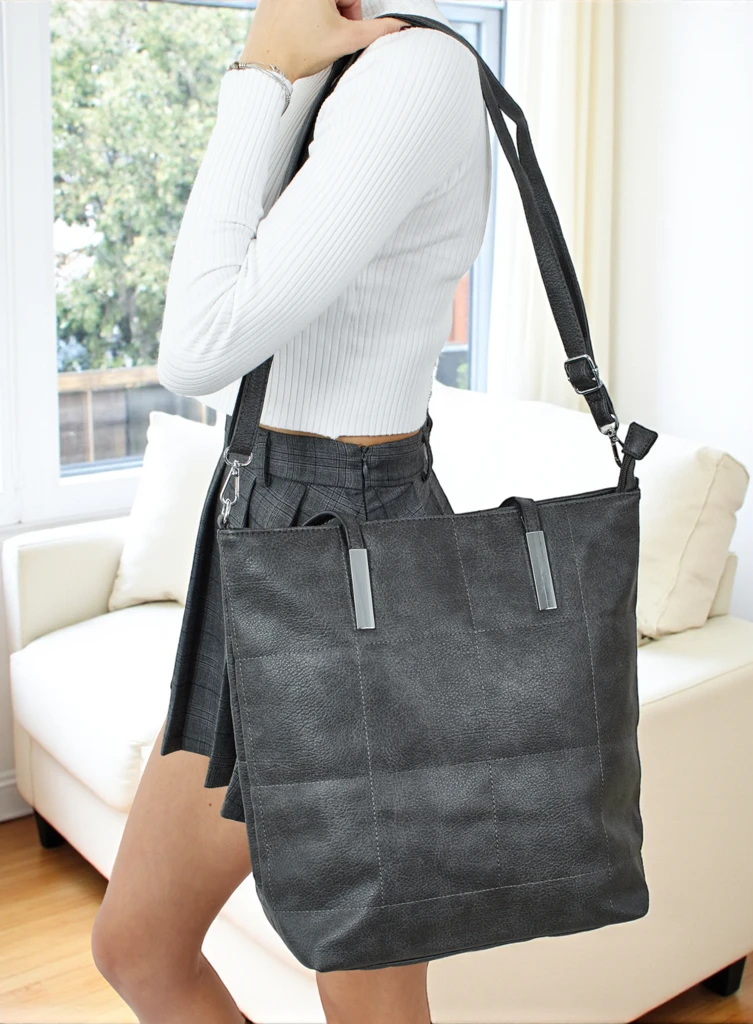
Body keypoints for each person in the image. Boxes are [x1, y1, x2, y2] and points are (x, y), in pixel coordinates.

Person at [90, 0, 491, 1020]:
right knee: (139, 944)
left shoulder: (417, 73)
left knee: (364, 988)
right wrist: (283, 71)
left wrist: (258, 76)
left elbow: (197, 342)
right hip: (267, 520)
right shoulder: (342, 69)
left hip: (353, 552)